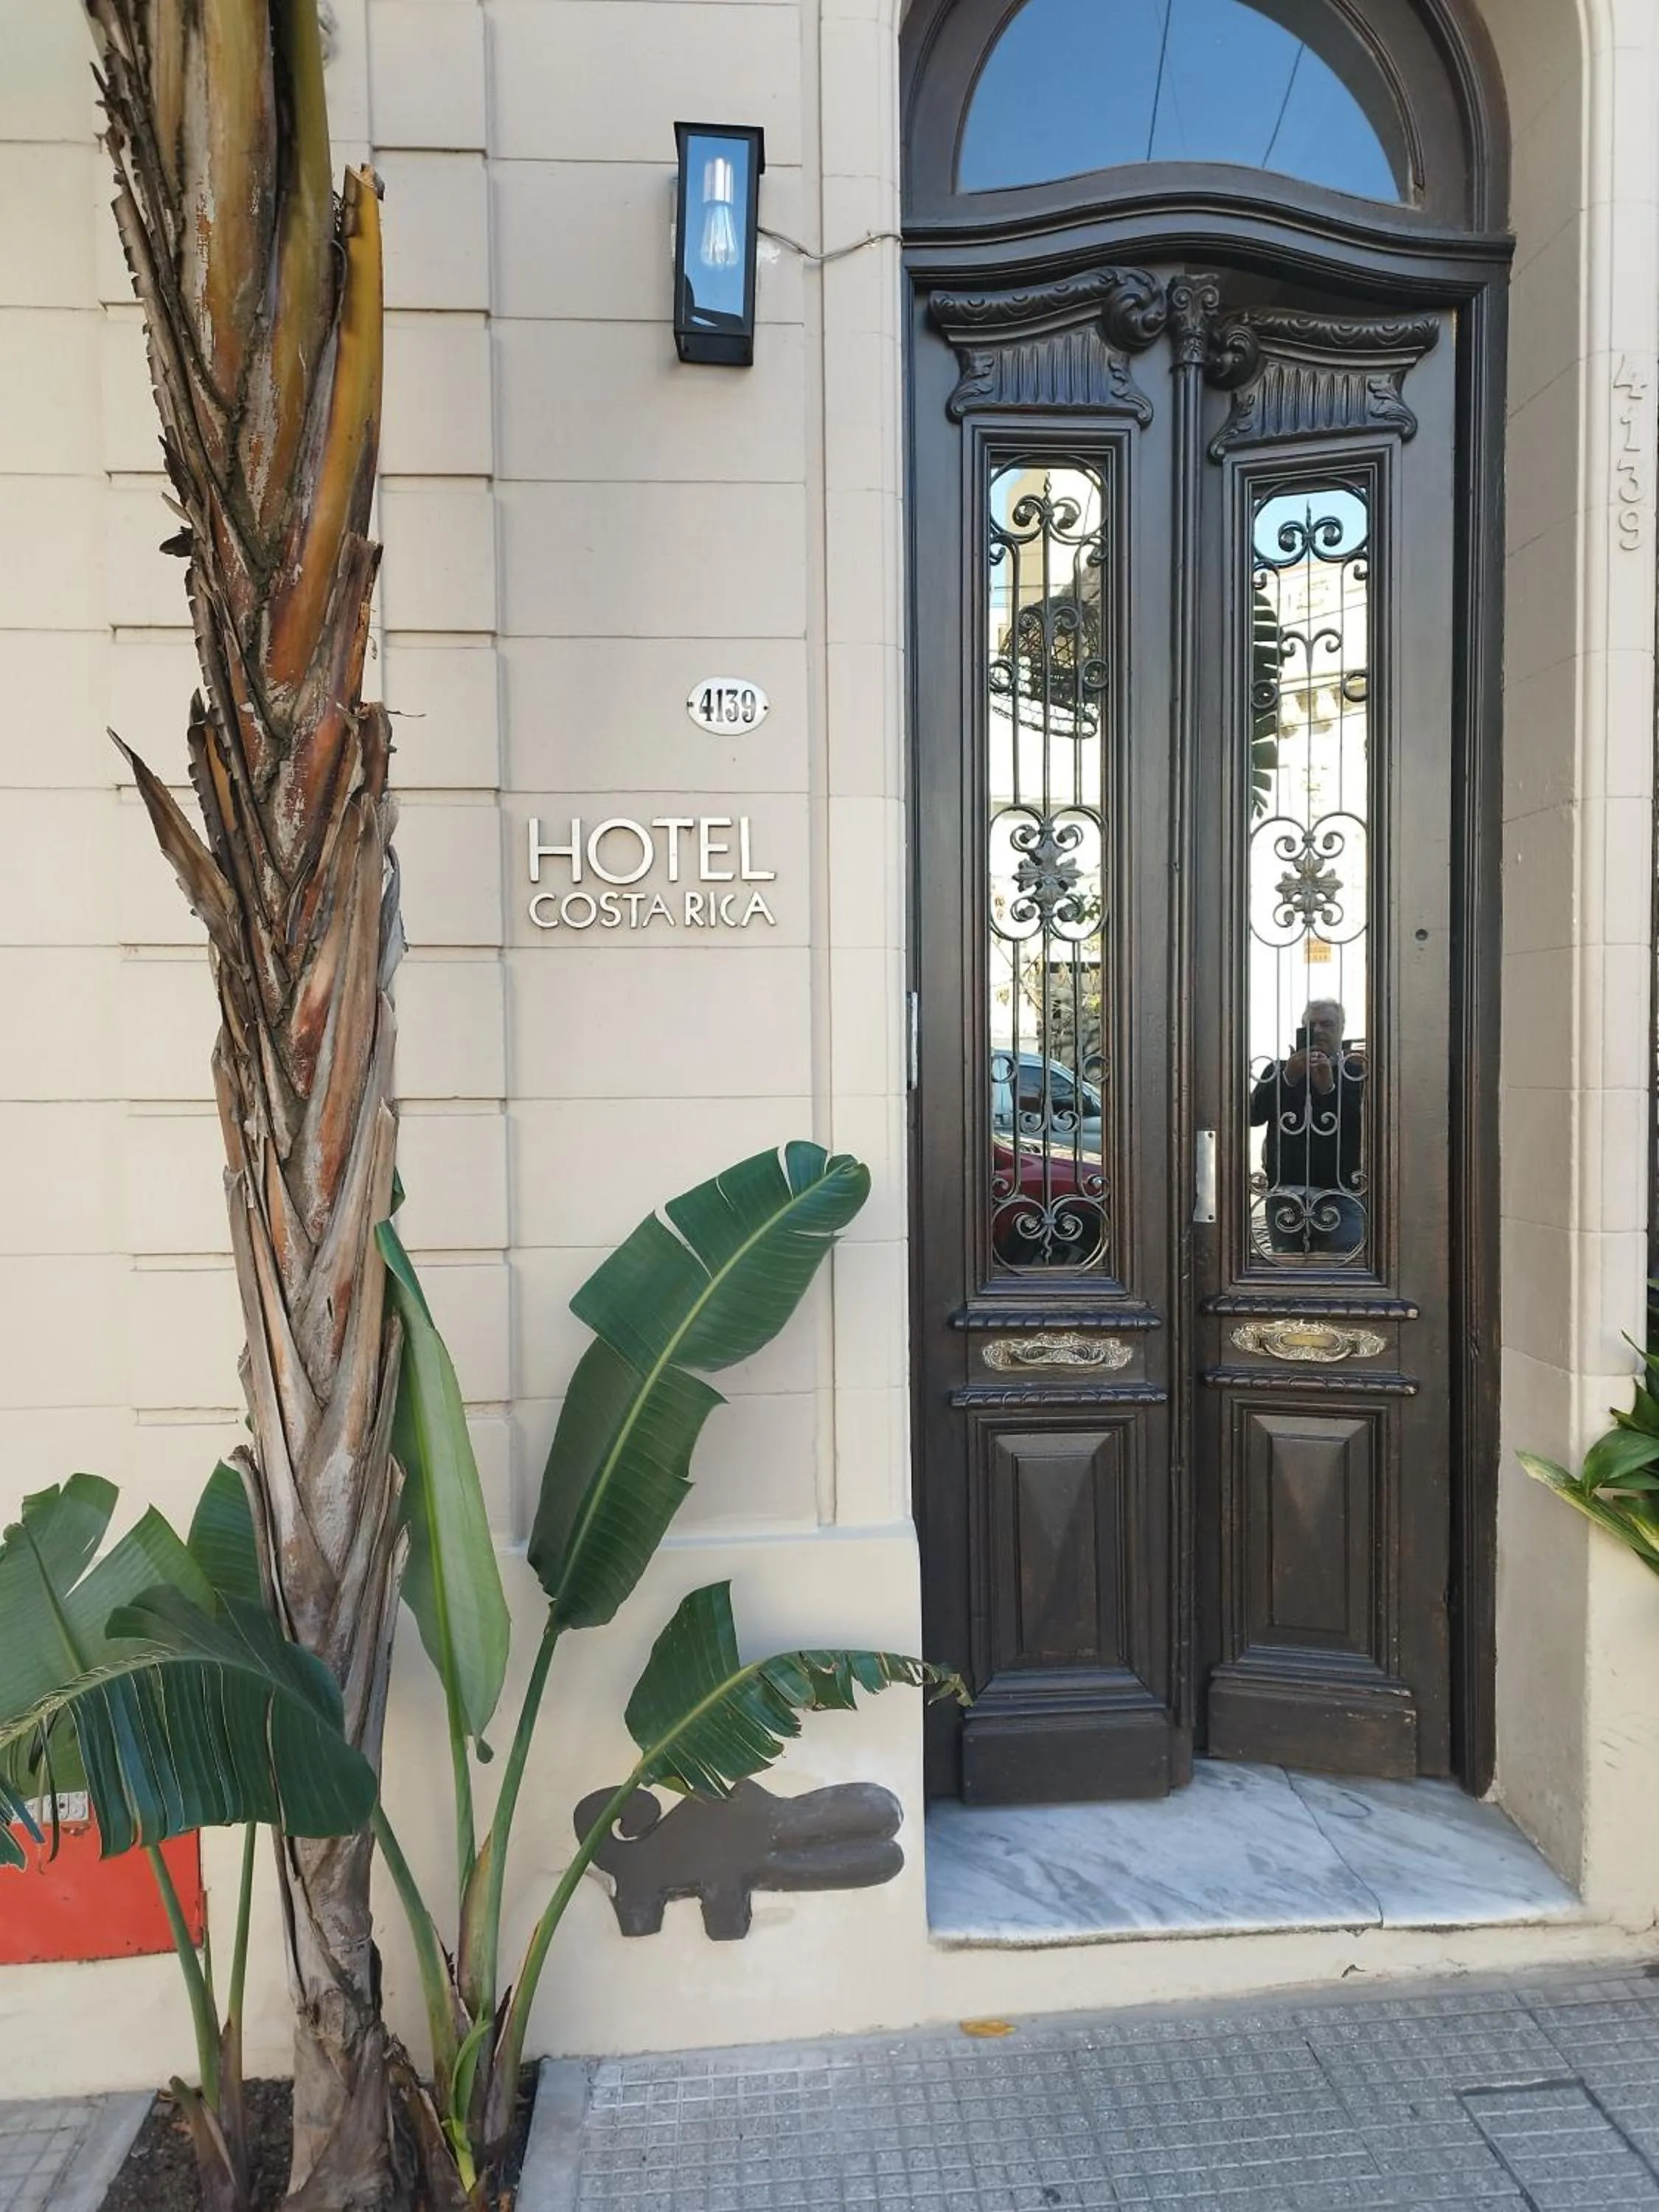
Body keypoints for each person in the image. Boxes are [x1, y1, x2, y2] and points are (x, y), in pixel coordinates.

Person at [1248, 998, 1366, 1255]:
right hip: (1285, 1195)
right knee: (1286, 1274)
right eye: (1312, 1025)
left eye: (1327, 1024)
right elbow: (1252, 1115)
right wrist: (1288, 1078)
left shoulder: (1356, 1072)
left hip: (1341, 1195)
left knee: (1342, 1276)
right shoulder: (1278, 1069)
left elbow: (1363, 1126)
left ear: (1341, 1029)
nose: (1320, 1031)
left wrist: (1329, 1088)